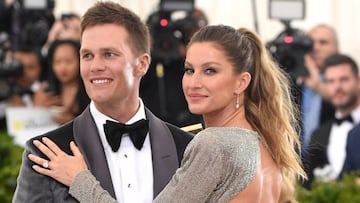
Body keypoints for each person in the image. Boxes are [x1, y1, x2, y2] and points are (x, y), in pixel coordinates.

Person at [27, 25, 306, 202]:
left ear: (241, 82)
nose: (194, 82)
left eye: (210, 71)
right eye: (189, 69)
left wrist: (79, 179)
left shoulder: (215, 144)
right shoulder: (264, 143)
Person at [12, 2, 193, 203]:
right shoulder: (47, 152)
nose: (95, 66)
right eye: (87, 55)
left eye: (109, 54)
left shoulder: (187, 149)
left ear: (141, 64)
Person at [302, 53, 360, 189]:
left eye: (344, 80)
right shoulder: (318, 135)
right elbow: (309, 185)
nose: (337, 87)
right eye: (331, 81)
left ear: (358, 82)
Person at [298, 24, 337, 153]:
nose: (315, 48)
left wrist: (318, 86)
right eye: (311, 43)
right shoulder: (294, 79)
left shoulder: (346, 76)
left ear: (336, 48)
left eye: (323, 42)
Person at [45, 39, 90, 125]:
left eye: (69, 61)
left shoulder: (89, 90)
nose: (63, 67)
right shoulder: (46, 90)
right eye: (57, 62)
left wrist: (73, 122)